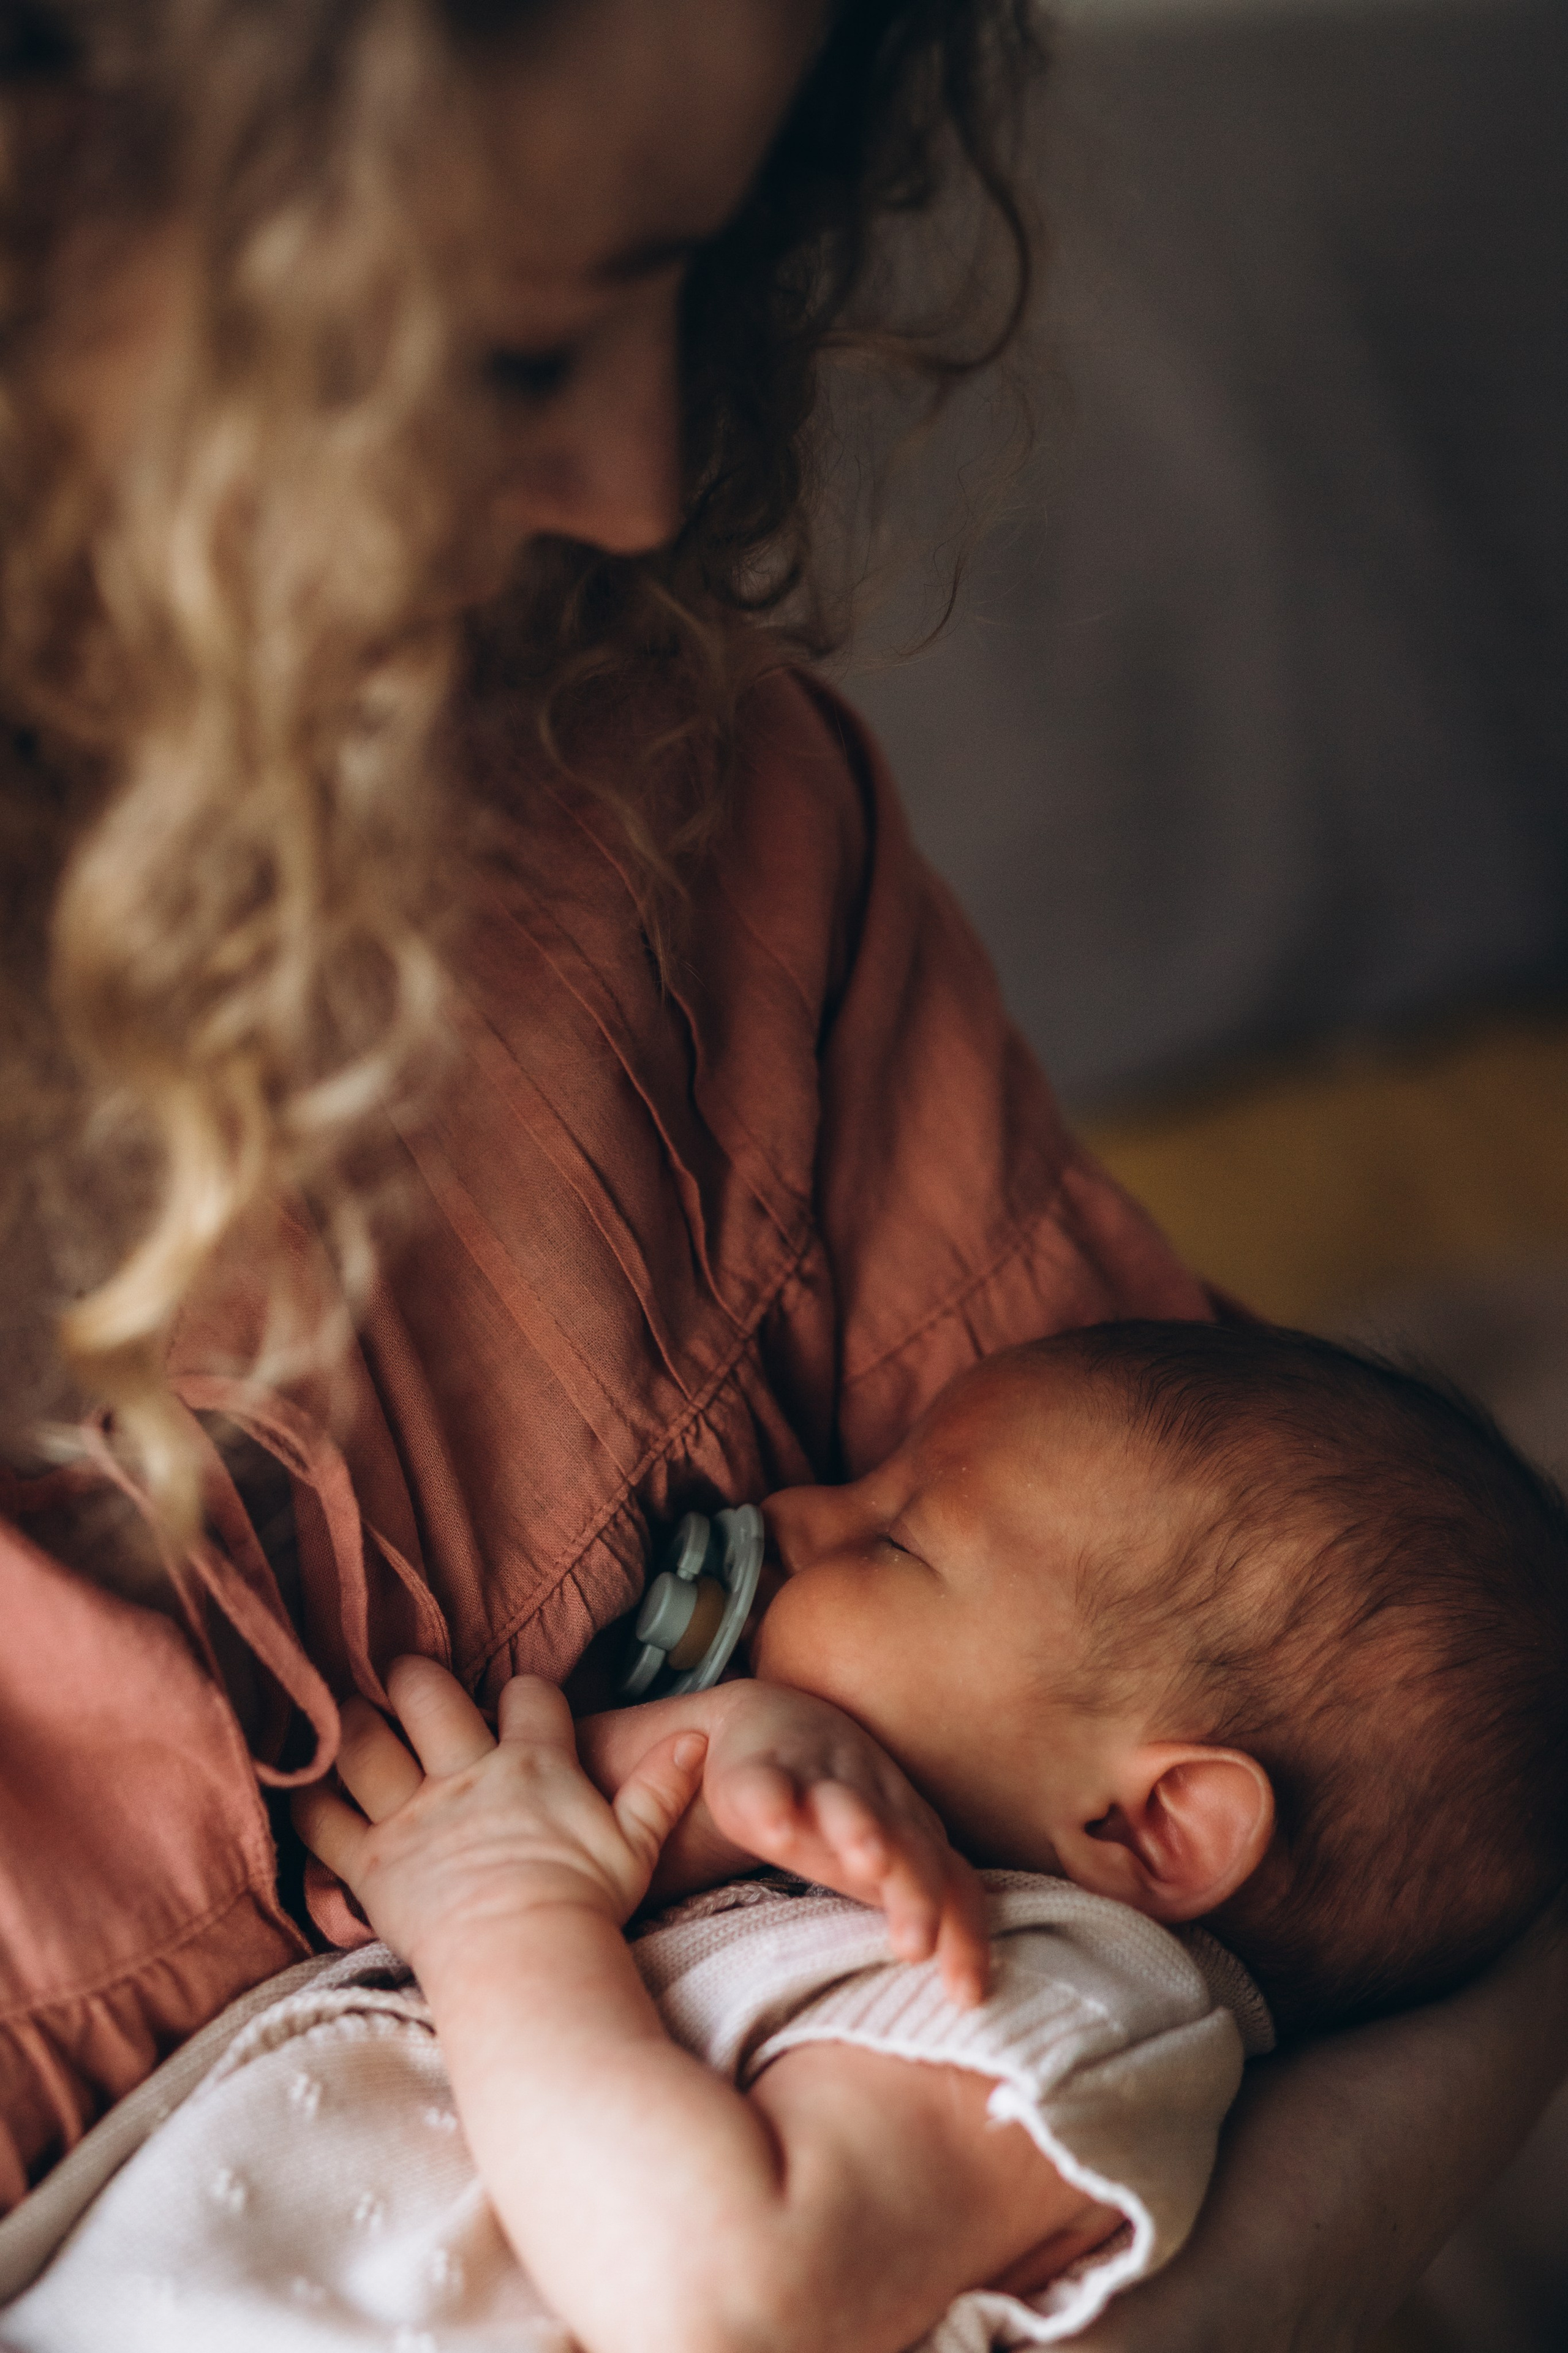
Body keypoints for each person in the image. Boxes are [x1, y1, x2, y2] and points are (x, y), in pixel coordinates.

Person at [0, 3, 1562, 2349]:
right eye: (518, 348)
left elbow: (1419, 1859)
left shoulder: (682, 810)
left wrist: (536, 1866)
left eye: (689, 276)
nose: (643, 486)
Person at [5, 1317, 1564, 2349]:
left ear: (1152, 1824)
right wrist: (693, 1765)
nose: (795, 1512)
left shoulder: (1067, 2002)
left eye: (894, 1535)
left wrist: (500, 1920)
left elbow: (724, 2297)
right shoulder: (885, 1881)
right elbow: (506, 1845)